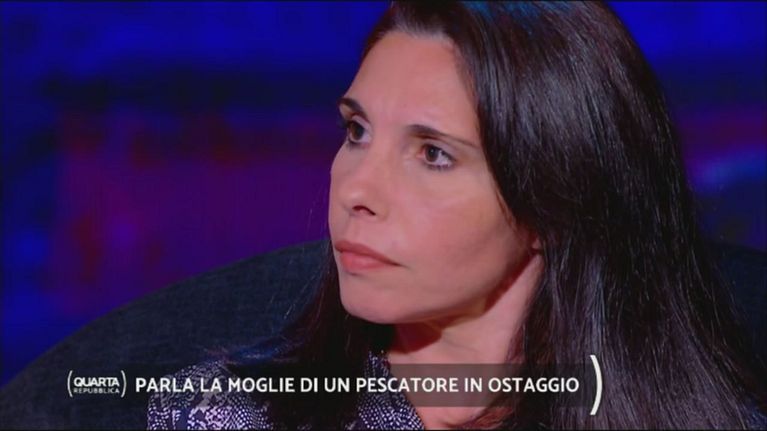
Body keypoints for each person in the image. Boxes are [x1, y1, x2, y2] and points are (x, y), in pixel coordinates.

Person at [147, 1, 766, 429]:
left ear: (555, 203)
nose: (356, 188)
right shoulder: (226, 413)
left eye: (433, 154)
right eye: (357, 131)